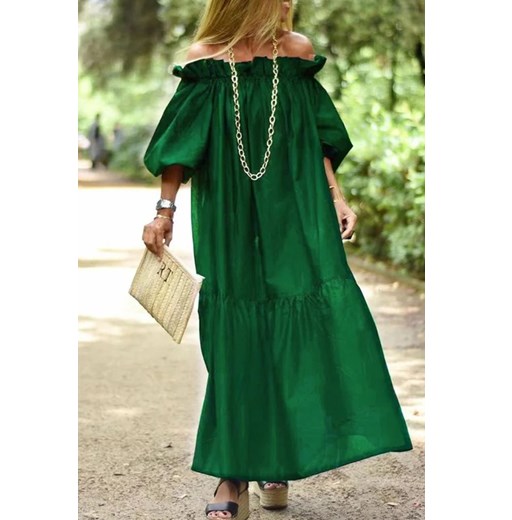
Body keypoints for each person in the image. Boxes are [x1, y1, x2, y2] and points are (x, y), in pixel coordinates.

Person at [141, 1, 413, 518]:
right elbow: (179, 148)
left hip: (296, 207)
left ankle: (275, 460)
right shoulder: (206, 62)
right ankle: (233, 475)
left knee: (302, 323)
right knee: (235, 336)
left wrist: (337, 197)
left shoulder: (296, 54)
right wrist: (164, 212)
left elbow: (317, 137)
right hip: (227, 213)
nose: (289, 1)